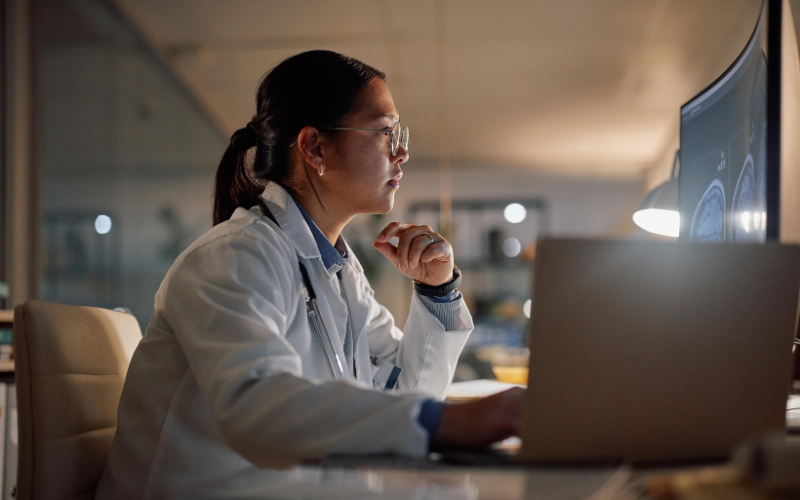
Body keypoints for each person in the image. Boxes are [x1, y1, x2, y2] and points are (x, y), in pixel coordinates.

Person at [97, 50, 523, 500]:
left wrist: (438, 291)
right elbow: (254, 406)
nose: (402, 152)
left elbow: (405, 390)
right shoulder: (235, 256)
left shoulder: (337, 270)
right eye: (384, 133)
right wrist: (443, 422)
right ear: (315, 147)